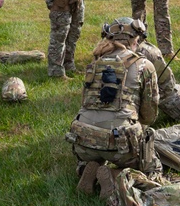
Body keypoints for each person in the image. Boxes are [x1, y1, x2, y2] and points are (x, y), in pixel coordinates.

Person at [66, 17, 161, 195]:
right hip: (120, 146)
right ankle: (114, 174)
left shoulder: (93, 64)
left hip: (84, 141)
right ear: (135, 40)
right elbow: (149, 115)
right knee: (152, 168)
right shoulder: (144, 65)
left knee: (93, 148)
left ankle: (87, 170)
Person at [103, 19, 180, 124]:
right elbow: (167, 86)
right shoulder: (148, 54)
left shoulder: (102, 52)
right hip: (126, 107)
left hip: (104, 108)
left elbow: (166, 85)